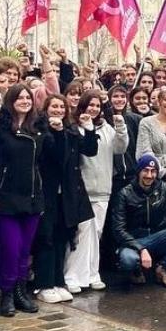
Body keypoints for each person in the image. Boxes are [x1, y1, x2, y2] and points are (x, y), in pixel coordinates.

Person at [34, 94, 98, 304]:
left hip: (66, 194)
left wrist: (89, 130)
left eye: (61, 107)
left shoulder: (69, 129)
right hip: (47, 193)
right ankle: (44, 284)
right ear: (46, 108)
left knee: (61, 237)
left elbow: (90, 150)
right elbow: (54, 155)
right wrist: (56, 132)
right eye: (54, 106)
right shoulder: (40, 129)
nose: (58, 110)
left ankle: (58, 281)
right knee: (47, 238)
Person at [65, 90, 128, 293]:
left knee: (96, 233)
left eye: (97, 106)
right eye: (90, 105)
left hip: (103, 189)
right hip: (82, 189)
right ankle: (73, 275)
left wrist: (121, 127)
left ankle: (92, 273)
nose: (94, 109)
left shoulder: (107, 128)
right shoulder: (76, 128)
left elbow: (120, 148)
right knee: (81, 234)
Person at [0, 84, 44, 316]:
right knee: (10, 249)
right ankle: (7, 294)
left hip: (32, 197)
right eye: (19, 97)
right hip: (7, 199)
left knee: (24, 250)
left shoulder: (39, 127)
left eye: (28, 97)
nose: (24, 101)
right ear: (10, 101)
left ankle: (21, 292)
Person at [111, 154, 166, 288]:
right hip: (134, 240)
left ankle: (164, 269)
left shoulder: (162, 188)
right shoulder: (125, 193)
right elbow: (118, 230)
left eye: (153, 172)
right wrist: (141, 249)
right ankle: (136, 270)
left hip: (157, 237)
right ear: (138, 172)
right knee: (128, 260)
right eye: (145, 171)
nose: (149, 175)